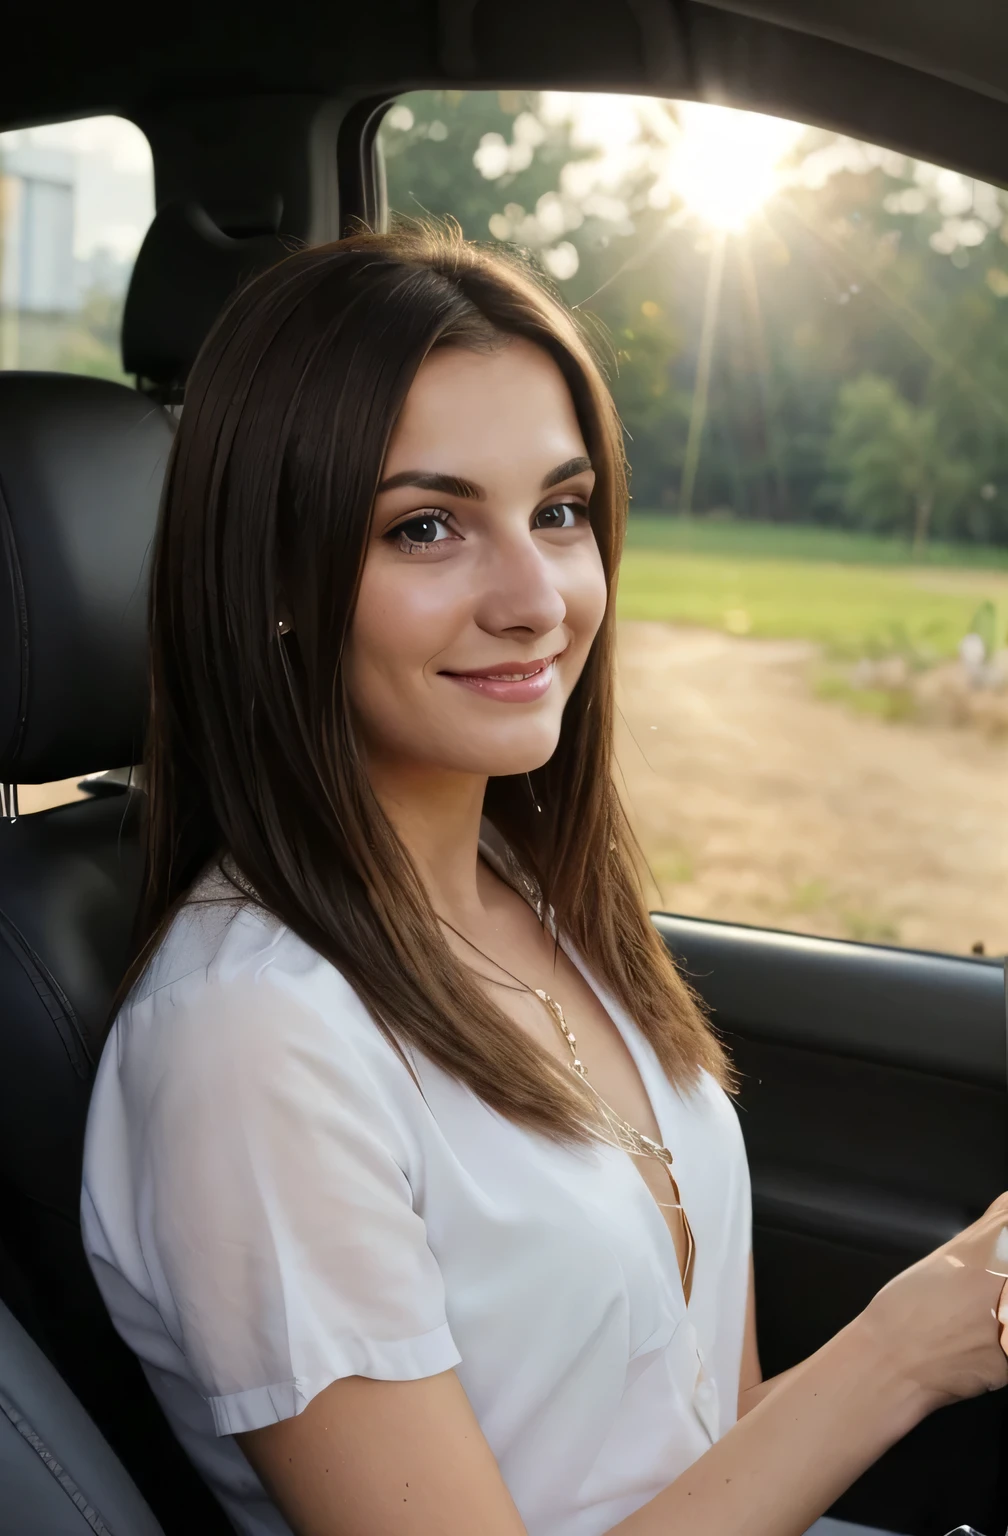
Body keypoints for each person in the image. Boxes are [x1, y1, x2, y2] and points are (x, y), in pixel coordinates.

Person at [81, 222, 1008, 1536]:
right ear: (275, 580)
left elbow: (708, 1439)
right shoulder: (253, 1039)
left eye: (561, 512)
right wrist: (907, 1352)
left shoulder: (539, 892)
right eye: (427, 526)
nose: (538, 598)